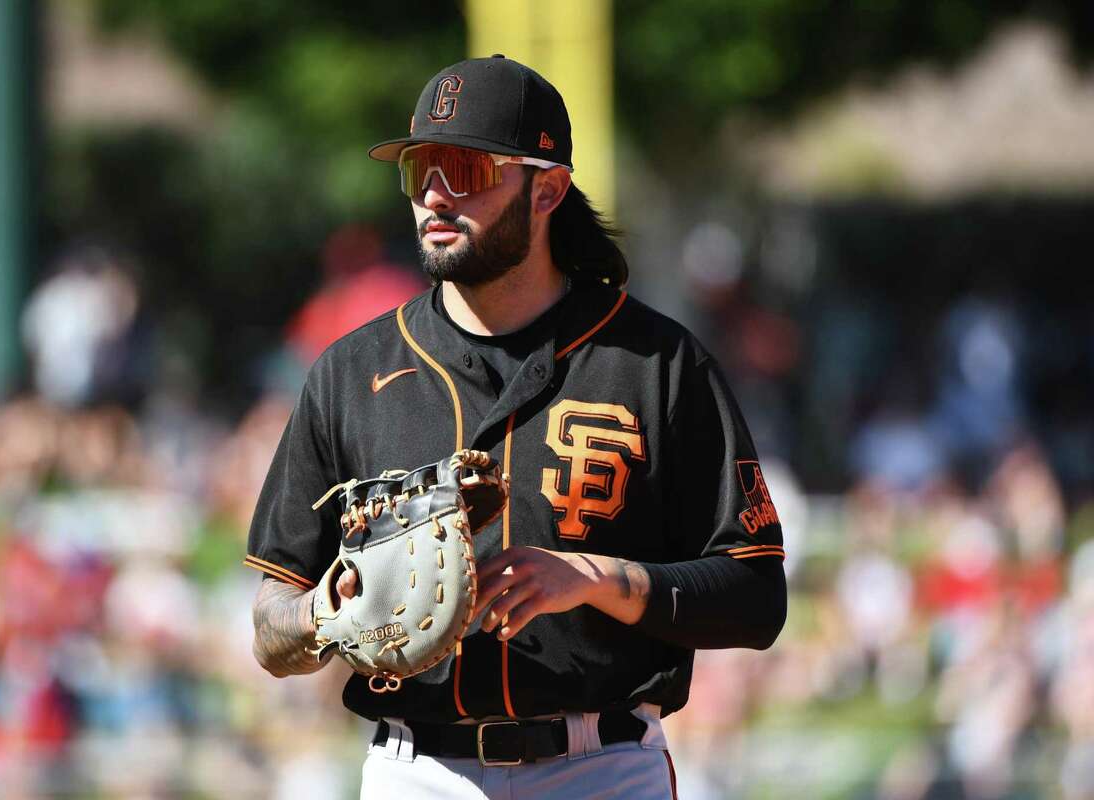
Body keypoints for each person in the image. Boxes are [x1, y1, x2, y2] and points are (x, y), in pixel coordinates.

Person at [245, 55, 786, 799]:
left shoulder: (655, 364)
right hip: (416, 772)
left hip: (600, 765)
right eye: (418, 171)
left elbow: (756, 599)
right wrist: (325, 613)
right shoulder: (349, 372)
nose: (433, 196)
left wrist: (598, 579)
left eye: (464, 169)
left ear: (548, 189)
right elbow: (271, 627)